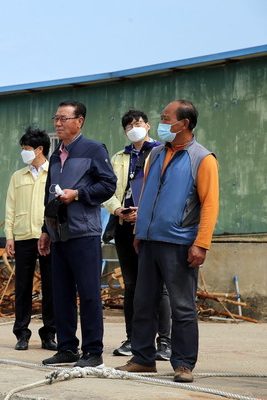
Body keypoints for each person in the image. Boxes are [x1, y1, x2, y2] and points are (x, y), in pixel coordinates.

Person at [116, 100, 219, 383]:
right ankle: (142, 358)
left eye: (165, 118)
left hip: (180, 243)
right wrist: (139, 233)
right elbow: (146, 194)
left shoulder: (202, 158)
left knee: (182, 306)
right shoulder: (156, 155)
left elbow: (210, 205)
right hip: (148, 240)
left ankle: (183, 364)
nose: (161, 123)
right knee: (144, 301)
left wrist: (201, 243)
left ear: (184, 123)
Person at [38, 101, 117, 368]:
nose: (57, 123)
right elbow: (50, 193)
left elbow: (108, 185)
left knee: (89, 293)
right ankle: (67, 348)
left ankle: (93, 351)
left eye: (63, 118)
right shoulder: (54, 156)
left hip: (84, 232)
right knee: (61, 293)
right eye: (55, 118)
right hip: (58, 233)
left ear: (79, 121)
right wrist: (45, 230)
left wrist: (80, 194)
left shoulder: (94, 149)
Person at [102, 109, 172, 360]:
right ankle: (133, 339)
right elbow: (107, 189)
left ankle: (164, 342)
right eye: (129, 125)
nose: (134, 127)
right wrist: (119, 210)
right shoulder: (119, 157)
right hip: (124, 225)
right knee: (131, 285)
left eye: (138, 123)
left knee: (159, 287)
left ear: (149, 126)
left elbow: (168, 189)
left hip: (153, 227)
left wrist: (144, 212)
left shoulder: (163, 152)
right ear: (124, 131)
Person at [5, 127, 56, 351]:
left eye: (26, 148)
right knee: (23, 287)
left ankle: (49, 334)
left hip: (49, 236)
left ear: (39, 149)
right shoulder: (18, 176)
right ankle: (22, 334)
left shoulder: (54, 172)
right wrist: (9, 236)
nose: (24, 152)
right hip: (23, 236)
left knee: (52, 287)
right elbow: (10, 208)